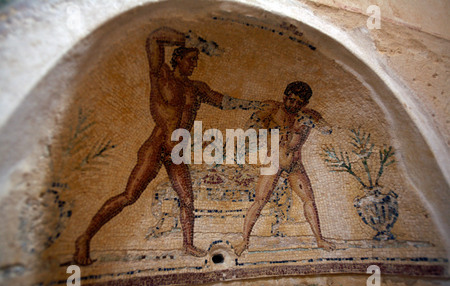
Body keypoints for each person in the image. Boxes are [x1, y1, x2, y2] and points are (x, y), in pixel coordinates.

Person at [74, 27, 263, 265]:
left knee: (187, 199)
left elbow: (224, 102)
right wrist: (192, 39)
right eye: (191, 59)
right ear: (178, 58)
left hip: (177, 150)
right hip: (157, 143)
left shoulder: (196, 88)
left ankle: (187, 244)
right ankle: (85, 237)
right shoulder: (161, 75)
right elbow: (154, 38)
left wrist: (258, 104)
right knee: (129, 195)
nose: (194, 64)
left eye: (196, 60)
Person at [234, 81, 336, 256]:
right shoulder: (272, 110)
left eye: (299, 103)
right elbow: (249, 130)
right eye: (291, 100)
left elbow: (327, 129)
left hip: (295, 164)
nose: (294, 105)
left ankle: (319, 239)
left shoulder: (308, 115)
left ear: (305, 104)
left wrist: (311, 121)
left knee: (309, 200)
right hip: (274, 161)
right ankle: (244, 240)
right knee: (260, 200)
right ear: (284, 97)